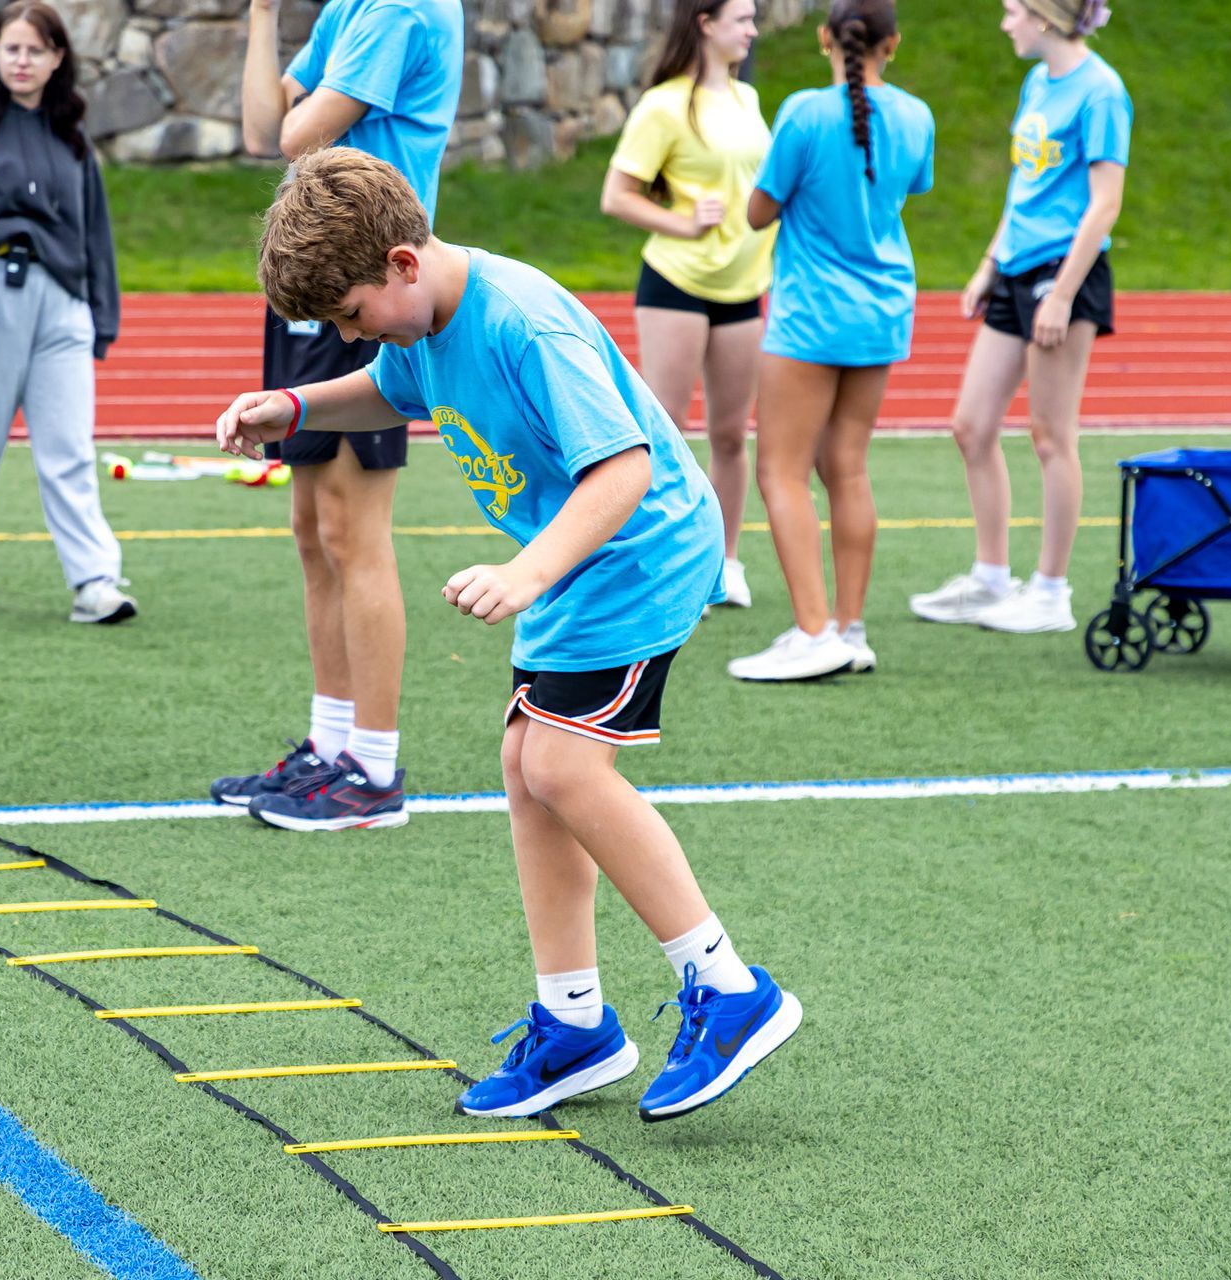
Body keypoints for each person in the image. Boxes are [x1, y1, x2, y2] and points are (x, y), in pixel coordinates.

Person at [215, 148, 802, 1120]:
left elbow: (622, 470)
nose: (347, 334)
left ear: (403, 263)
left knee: (567, 769)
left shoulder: (522, 320)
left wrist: (526, 571)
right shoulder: (426, 317)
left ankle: (731, 989)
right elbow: (397, 386)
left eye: (349, 315)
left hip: (636, 554)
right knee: (527, 765)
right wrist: (299, 407)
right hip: (576, 566)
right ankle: (575, 1021)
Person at [214, 0, 463, 830]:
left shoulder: (399, 8)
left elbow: (296, 137)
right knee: (313, 529)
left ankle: (376, 767)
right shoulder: (350, 8)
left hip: (371, 290)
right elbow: (262, 126)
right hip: (318, 282)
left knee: (355, 534)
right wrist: (261, 15)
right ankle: (331, 747)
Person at [728, 0, 934, 681]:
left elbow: (759, 212)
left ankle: (814, 632)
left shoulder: (804, 113)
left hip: (811, 315)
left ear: (824, 39)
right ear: (892, 45)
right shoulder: (916, 115)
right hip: (881, 312)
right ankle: (848, 626)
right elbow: (912, 186)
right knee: (846, 468)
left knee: (780, 471)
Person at [910, 0, 1127, 634]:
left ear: (1045, 17)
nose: (1005, 24)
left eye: (1013, 12)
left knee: (1051, 434)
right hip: (1016, 268)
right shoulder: (1037, 80)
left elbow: (1105, 205)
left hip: (1064, 273)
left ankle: (1051, 591)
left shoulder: (1103, 92)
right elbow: (1024, 185)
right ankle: (990, 577)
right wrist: (988, 262)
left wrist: (1061, 293)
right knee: (971, 426)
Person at [0, 2, 131, 625]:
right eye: (11, 48)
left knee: (69, 447)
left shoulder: (71, 132)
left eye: (36, 50)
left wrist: (100, 311)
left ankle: (95, 579)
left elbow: (93, 225)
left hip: (62, 303)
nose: (22, 60)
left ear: (57, 58)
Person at [601, 0, 772, 611]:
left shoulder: (749, 102)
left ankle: (724, 562)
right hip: (675, 283)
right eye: (743, 19)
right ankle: (665, 563)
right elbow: (616, 196)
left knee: (730, 434)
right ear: (706, 23)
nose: (752, 30)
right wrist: (681, 222)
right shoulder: (664, 104)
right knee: (663, 432)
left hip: (743, 286)